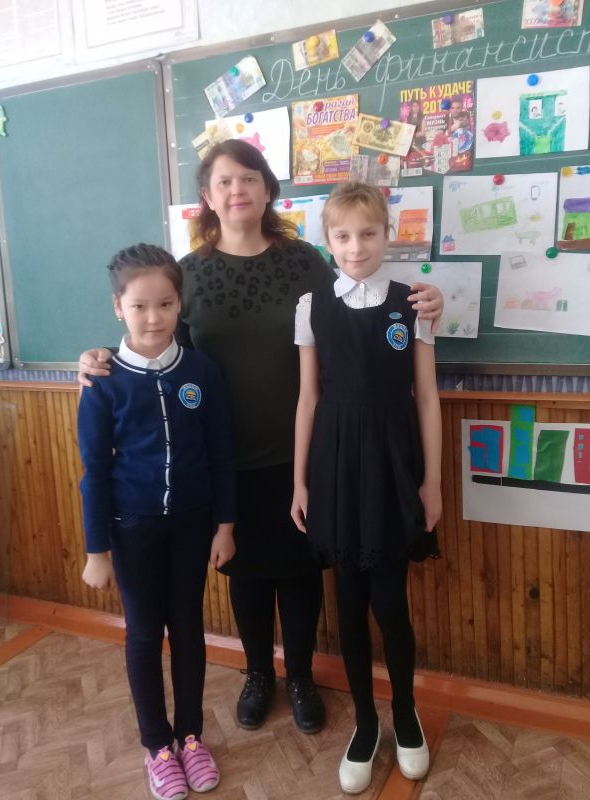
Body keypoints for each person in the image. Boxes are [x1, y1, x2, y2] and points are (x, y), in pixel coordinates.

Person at [78, 140, 444, 738]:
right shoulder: (187, 273)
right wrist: (97, 355)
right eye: (223, 181)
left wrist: (427, 297)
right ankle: (257, 674)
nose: (237, 190)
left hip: (308, 450)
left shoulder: (306, 261)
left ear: (268, 189)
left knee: (300, 570)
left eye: (249, 178)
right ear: (206, 196)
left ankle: (299, 676)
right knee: (246, 574)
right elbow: (155, 338)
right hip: (224, 454)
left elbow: (359, 308)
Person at [291, 183, 442, 794]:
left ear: (388, 235)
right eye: (343, 236)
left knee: (390, 604)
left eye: (368, 234)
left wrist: (432, 482)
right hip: (334, 467)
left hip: (392, 464)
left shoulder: (414, 303)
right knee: (348, 606)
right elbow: (307, 399)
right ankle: (365, 723)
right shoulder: (311, 306)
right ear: (327, 241)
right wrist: (300, 482)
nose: (356, 247)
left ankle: (405, 715)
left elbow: (426, 399)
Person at [78, 243, 235, 800]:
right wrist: (97, 549)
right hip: (133, 529)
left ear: (179, 303)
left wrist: (225, 525)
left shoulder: (201, 371)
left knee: (188, 629)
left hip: (193, 526)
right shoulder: (102, 380)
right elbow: (94, 472)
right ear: (118, 307)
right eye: (139, 306)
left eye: (165, 304)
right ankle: (157, 746)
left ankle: (190, 736)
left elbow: (221, 454)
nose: (153, 318)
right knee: (145, 634)